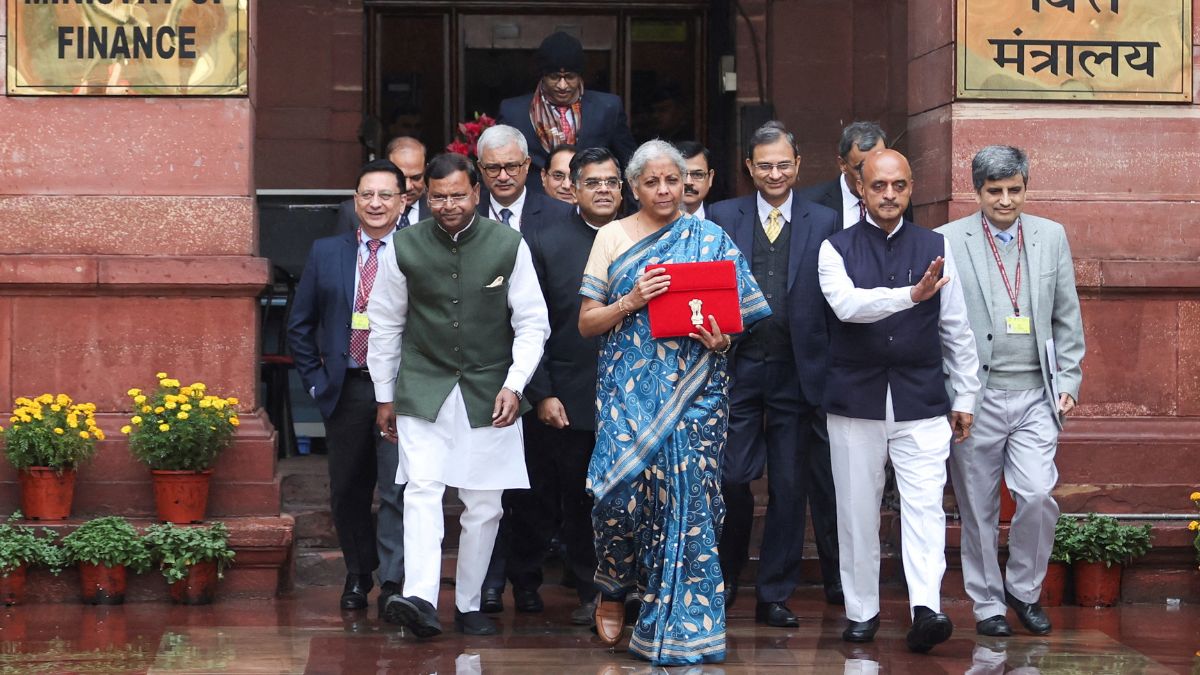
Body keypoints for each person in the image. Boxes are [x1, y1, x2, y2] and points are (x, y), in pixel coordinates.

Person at [578, 140, 771, 665]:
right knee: (614, 497)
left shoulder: (709, 237)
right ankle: (615, 584)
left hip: (697, 394)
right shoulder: (613, 237)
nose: (666, 191)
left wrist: (722, 340)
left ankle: (686, 627)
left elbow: (742, 314)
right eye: (653, 183)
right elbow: (586, 321)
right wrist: (631, 300)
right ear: (633, 188)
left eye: (675, 181)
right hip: (627, 395)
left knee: (688, 505)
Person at [368, 152, 550, 638]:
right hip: (423, 384)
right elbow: (384, 324)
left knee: (485, 503)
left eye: (458, 195)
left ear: (477, 193)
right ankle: (422, 599)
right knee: (423, 489)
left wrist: (516, 384)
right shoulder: (401, 247)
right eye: (438, 196)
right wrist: (384, 394)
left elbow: (533, 323)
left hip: (491, 391)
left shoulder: (509, 244)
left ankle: (469, 604)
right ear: (424, 196)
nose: (448, 205)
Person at [818, 149, 981, 653]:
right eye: (878, 186)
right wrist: (909, 296)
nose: (889, 195)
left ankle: (926, 609)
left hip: (922, 397)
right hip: (854, 400)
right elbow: (847, 307)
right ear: (860, 190)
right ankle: (862, 611)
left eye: (899, 186)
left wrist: (967, 393)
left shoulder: (936, 245)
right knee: (856, 510)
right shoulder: (834, 247)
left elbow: (956, 326)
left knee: (926, 507)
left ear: (911, 189)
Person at [936, 145, 1085, 638]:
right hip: (976, 398)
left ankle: (1023, 590)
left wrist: (1068, 380)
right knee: (977, 508)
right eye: (994, 191)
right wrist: (953, 393)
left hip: (1037, 395)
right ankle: (987, 605)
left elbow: (1067, 316)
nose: (1005, 201)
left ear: (1025, 187)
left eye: (1014, 190)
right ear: (977, 191)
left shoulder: (1051, 236)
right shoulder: (947, 240)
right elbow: (936, 324)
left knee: (1038, 493)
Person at [707, 121, 841, 626]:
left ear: (798, 165)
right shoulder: (722, 215)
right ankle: (723, 579)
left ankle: (774, 594)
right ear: (749, 168)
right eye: (764, 165)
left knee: (789, 487)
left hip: (796, 371)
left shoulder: (824, 220)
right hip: (736, 368)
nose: (775, 173)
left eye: (783, 164)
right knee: (732, 477)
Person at [287, 159, 409, 613]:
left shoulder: (416, 251)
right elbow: (299, 327)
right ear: (355, 201)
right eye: (366, 195)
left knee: (398, 486)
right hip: (346, 388)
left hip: (399, 392)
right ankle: (359, 574)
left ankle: (395, 582)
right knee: (348, 488)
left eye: (385, 195)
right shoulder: (326, 251)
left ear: (402, 201)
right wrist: (318, 386)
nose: (375, 203)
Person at [515, 147, 624, 626]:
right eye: (593, 182)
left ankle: (628, 592)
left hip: (634, 393)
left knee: (625, 497)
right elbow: (526, 325)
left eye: (612, 181)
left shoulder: (643, 234)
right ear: (572, 189)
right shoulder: (542, 239)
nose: (604, 190)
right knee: (575, 499)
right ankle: (589, 590)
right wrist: (542, 392)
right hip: (568, 392)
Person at [471, 123, 572, 614]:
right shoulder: (460, 216)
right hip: (481, 373)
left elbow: (558, 308)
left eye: (513, 166)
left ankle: (526, 581)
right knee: (487, 485)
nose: (504, 175)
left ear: (529, 167)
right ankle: (487, 583)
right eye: (493, 168)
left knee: (534, 485)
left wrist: (545, 384)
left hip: (541, 373)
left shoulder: (558, 216)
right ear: (480, 172)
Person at [497, 31, 637, 191]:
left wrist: (634, 213)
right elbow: (497, 163)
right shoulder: (513, 112)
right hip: (534, 208)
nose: (562, 85)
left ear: (580, 75)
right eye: (555, 77)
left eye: (569, 77)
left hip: (591, 205)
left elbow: (630, 166)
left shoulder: (607, 108)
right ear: (543, 76)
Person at [474, 124, 574, 235]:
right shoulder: (468, 214)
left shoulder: (560, 214)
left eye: (512, 167)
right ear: (480, 168)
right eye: (493, 168)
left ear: (527, 164)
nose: (503, 177)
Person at [797, 122, 889, 229]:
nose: (873, 176)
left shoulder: (896, 199)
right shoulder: (812, 203)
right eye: (861, 169)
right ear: (842, 165)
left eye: (880, 166)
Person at [337, 137, 429, 231]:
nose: (408, 186)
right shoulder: (351, 212)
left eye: (416, 178)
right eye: (401, 177)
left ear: (426, 171)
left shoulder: (438, 210)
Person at [676, 141, 714, 221]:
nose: (688, 182)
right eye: (681, 174)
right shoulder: (651, 225)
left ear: (710, 178)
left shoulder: (723, 223)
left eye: (697, 175)